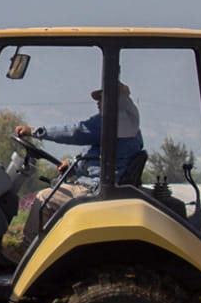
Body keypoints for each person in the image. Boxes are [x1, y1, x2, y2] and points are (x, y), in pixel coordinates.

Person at [13, 84, 145, 224]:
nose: (98, 103)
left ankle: (27, 243)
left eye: (102, 98)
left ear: (117, 100)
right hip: (98, 186)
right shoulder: (128, 129)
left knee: (43, 199)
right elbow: (98, 154)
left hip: (93, 189)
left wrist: (36, 132)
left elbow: (76, 132)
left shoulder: (111, 123)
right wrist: (71, 164)